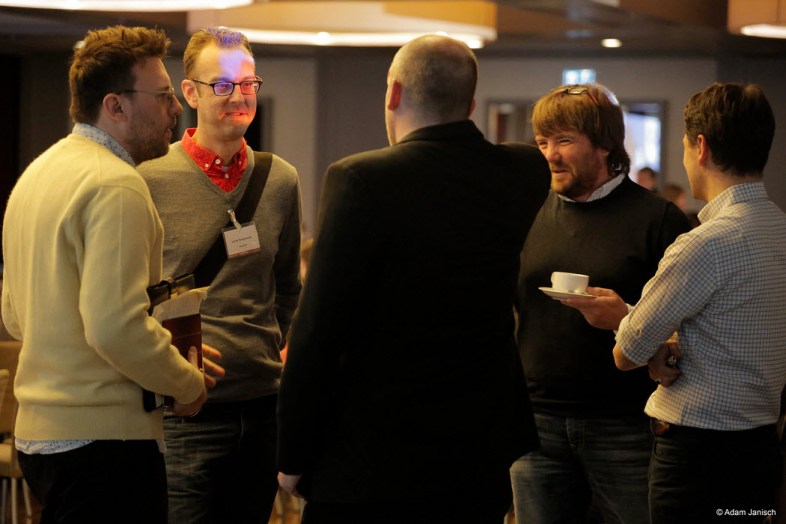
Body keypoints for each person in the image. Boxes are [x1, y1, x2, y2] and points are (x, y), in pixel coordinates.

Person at [276, 34, 550, 523]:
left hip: (375, 452)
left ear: (394, 94)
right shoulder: (525, 170)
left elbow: (318, 329)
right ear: (469, 102)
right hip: (479, 445)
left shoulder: (361, 178)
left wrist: (291, 455)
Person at [1, 25, 219, 523]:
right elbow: (114, 326)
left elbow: (17, 317)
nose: (175, 109)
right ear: (115, 106)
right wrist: (186, 384)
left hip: (39, 436)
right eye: (163, 96)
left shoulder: (38, 173)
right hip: (105, 439)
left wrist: (162, 351)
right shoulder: (116, 185)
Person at [137, 26, 302, 524]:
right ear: (189, 92)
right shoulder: (147, 177)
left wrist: (274, 348)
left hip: (261, 405)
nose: (240, 97)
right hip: (184, 409)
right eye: (223, 85)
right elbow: (128, 294)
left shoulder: (280, 179)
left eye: (249, 84)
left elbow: (287, 288)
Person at [510, 83, 692, 524]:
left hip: (625, 425)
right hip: (536, 424)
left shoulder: (657, 218)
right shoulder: (527, 211)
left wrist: (625, 316)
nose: (550, 154)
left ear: (605, 144)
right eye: (542, 142)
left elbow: (686, 331)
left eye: (564, 141)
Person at [609, 82, 786, 523]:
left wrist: (640, 334)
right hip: (763, 445)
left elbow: (627, 352)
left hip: (696, 456)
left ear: (701, 147)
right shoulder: (781, 229)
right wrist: (671, 346)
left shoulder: (705, 244)